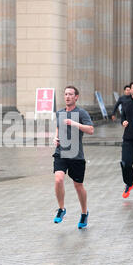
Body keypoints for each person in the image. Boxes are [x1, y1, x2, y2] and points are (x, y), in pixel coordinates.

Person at [52, 85, 94, 229]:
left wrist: (74, 123)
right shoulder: (60, 113)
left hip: (76, 154)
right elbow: (58, 127)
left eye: (71, 94)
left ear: (76, 97)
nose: (67, 96)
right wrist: (55, 137)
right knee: (58, 179)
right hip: (61, 152)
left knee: (78, 186)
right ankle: (61, 209)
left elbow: (91, 130)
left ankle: (84, 213)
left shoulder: (81, 113)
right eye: (66, 94)